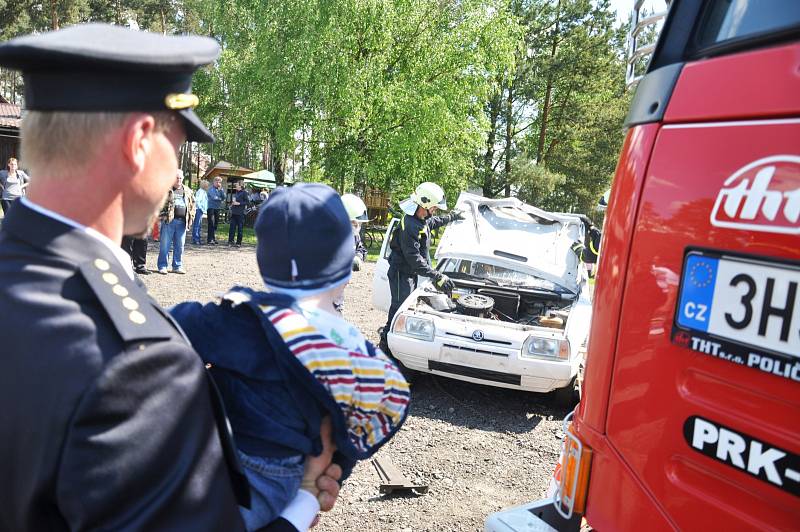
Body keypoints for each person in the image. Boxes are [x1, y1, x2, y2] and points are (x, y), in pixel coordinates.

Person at [0, 23, 340, 531]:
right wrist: (303, 503)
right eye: (178, 141)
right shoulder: (140, 366)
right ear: (139, 141)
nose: (176, 172)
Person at [171, 183, 410, 531]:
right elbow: (379, 409)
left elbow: (173, 325)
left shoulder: (239, 317)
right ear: (345, 270)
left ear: (265, 263)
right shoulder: (351, 350)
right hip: (282, 476)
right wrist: (336, 468)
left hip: (214, 458)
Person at [380, 181, 463, 353]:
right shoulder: (410, 225)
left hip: (409, 273)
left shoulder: (421, 218)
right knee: (399, 308)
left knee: (406, 307)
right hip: (400, 273)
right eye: (434, 208)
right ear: (424, 204)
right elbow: (414, 259)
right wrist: (437, 275)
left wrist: (452, 217)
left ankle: (396, 342)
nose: (435, 211)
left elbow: (433, 222)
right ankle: (385, 345)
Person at [157, 169, 195, 273]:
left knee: (180, 245)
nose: (178, 180)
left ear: (183, 178)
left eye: (180, 178)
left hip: (182, 222)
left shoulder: (188, 191)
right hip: (169, 222)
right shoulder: (167, 190)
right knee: (165, 245)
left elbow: (193, 205)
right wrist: (162, 217)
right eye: (176, 178)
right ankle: (162, 266)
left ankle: (177, 266)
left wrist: (191, 217)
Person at [341, 193, 368, 271]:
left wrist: (358, 257)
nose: (358, 228)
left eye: (360, 224)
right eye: (355, 224)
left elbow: (361, 249)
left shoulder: (355, 236)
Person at [228, 179, 248, 246]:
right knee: (232, 228)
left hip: (240, 213)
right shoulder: (236, 192)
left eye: (237, 184)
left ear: (240, 185)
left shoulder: (244, 193)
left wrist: (239, 203)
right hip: (234, 213)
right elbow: (234, 202)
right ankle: (230, 241)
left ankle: (238, 242)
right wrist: (232, 204)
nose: (235, 185)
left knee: (240, 228)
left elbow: (247, 202)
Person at [207, 175, 225, 244]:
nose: (218, 183)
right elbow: (214, 197)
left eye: (220, 182)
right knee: (211, 223)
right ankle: (209, 239)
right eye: (217, 182)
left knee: (216, 224)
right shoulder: (211, 189)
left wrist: (222, 191)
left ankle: (213, 238)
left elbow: (224, 197)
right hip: (211, 208)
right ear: (214, 182)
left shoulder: (220, 190)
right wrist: (220, 199)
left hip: (217, 208)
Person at [192, 178, 209, 244]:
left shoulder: (203, 192)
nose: (208, 187)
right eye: (207, 185)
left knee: (199, 225)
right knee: (197, 224)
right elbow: (198, 201)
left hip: (201, 210)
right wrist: (201, 208)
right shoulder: (200, 192)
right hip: (198, 209)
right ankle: (195, 239)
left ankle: (198, 238)